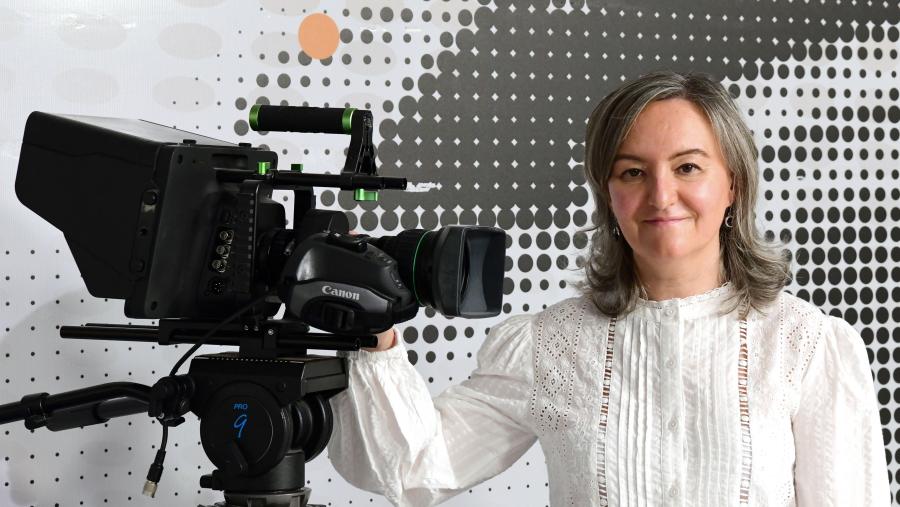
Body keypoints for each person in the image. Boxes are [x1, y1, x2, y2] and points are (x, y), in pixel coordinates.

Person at [327, 71, 891, 506]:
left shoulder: (806, 348)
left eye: (688, 167)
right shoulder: (550, 346)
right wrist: (374, 330)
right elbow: (413, 468)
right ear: (609, 197)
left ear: (733, 185)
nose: (661, 195)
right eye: (632, 172)